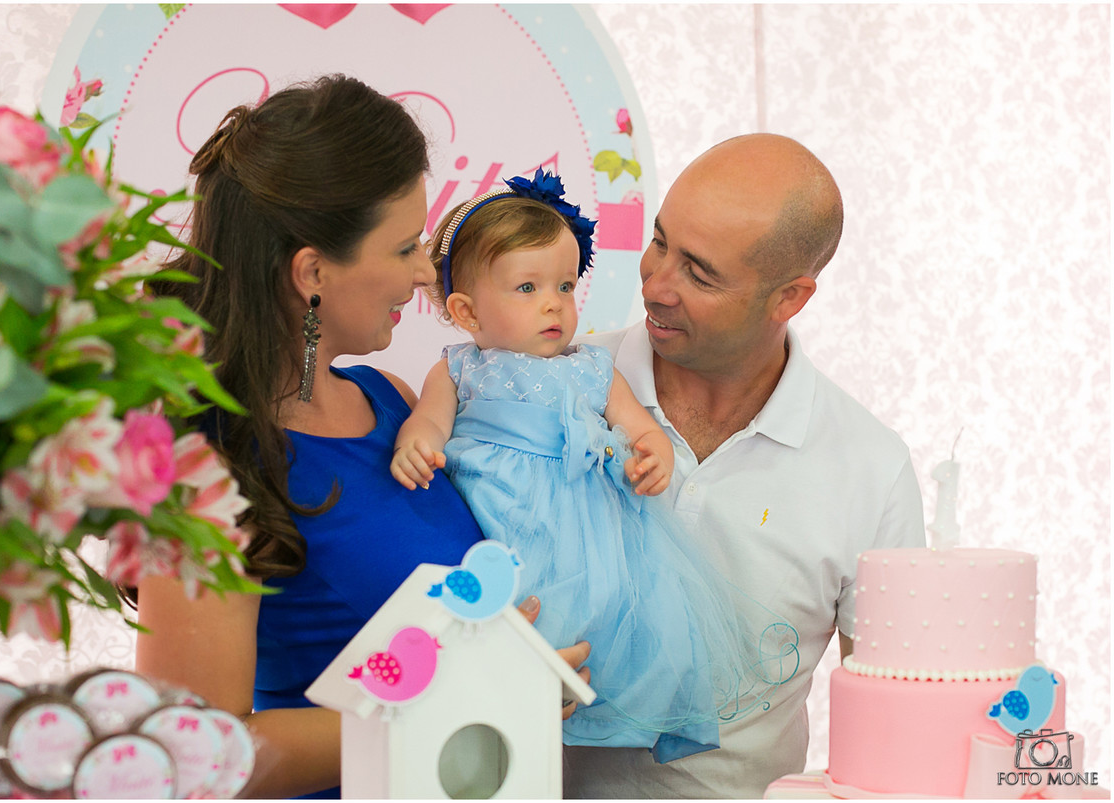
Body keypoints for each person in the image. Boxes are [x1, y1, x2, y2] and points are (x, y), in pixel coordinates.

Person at [133, 76, 590, 799]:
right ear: (313, 272)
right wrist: (462, 700)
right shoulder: (204, 471)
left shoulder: (395, 403)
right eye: (406, 246)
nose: (425, 270)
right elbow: (189, 756)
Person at [561, 134, 926, 798]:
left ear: (790, 298)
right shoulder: (549, 384)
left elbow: (894, 733)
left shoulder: (871, 470)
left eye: (699, 274)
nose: (656, 284)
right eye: (659, 241)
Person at [390, 169, 796, 765]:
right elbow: (429, 420)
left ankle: (615, 711)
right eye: (527, 288)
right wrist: (417, 444)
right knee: (515, 620)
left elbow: (639, 427)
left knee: (622, 615)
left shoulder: (592, 367)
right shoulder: (459, 368)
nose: (553, 303)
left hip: (587, 531)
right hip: (500, 518)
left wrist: (652, 453)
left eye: (564, 285)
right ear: (467, 311)